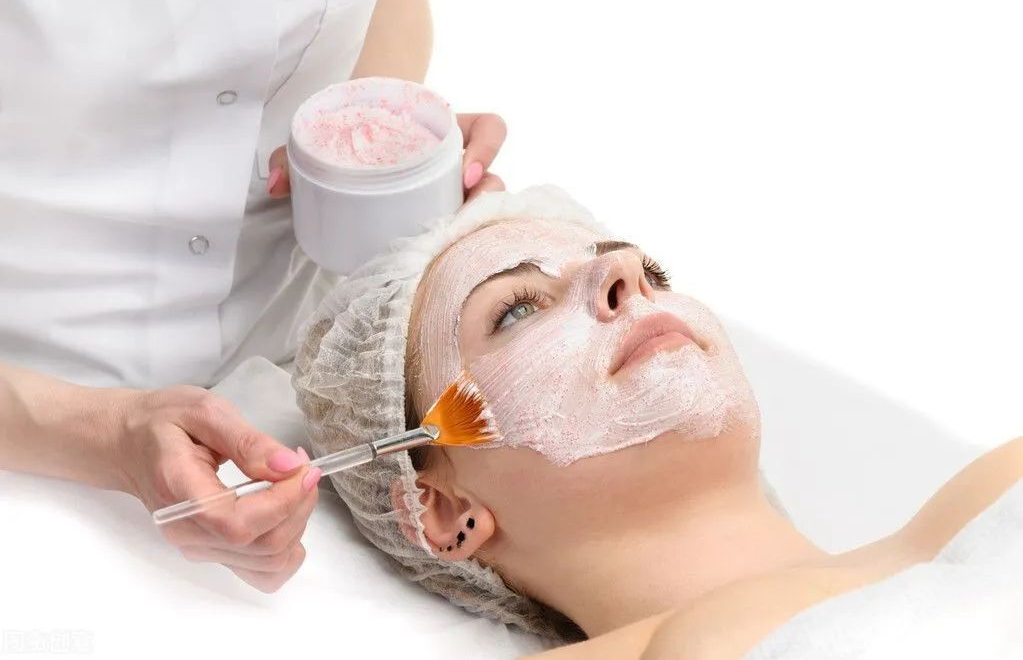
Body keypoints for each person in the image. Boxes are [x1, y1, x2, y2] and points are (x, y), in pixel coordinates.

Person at [292, 186, 1023, 658]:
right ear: (447, 511)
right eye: (515, 310)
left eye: (653, 273)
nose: (626, 277)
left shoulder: (999, 489)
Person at [0, 0, 506, 594]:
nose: (608, 290)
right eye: (517, 310)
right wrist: (104, 434)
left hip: (294, 341)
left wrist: (378, 146)